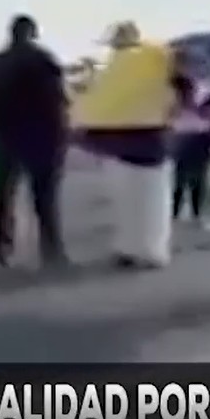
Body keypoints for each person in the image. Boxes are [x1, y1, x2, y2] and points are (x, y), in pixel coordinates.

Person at [73, 20, 177, 269]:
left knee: (126, 200)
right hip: (151, 138)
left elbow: (89, 103)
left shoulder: (113, 70)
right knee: (151, 202)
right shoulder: (158, 58)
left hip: (118, 143)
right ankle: (150, 252)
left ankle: (130, 248)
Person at [0, 15, 69, 268]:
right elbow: (56, 99)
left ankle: (1, 246)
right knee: (45, 198)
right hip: (40, 135)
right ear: (33, 33)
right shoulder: (43, 60)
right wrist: (61, 134)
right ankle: (52, 252)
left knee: (2, 195)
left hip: (2, 135)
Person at [169, 76, 210, 228]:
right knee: (184, 180)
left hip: (196, 142)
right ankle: (182, 213)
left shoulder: (203, 100)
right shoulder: (179, 105)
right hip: (188, 141)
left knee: (195, 180)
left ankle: (191, 213)